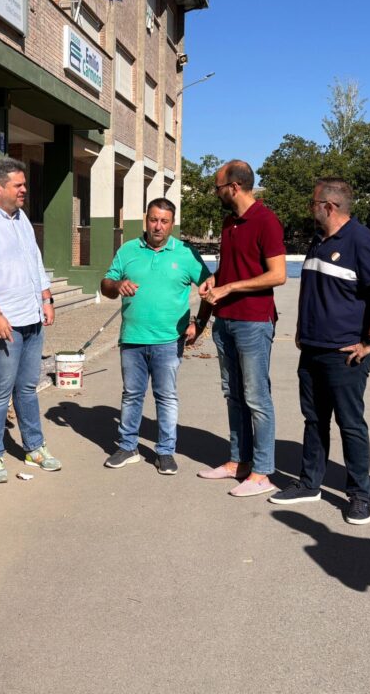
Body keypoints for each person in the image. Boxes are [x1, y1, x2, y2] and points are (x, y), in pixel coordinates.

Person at [268, 178, 370, 525]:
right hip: (311, 349)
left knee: (350, 424)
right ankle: (310, 484)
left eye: (313, 203)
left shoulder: (360, 240)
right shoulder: (317, 241)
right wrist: (301, 328)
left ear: (329, 206)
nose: (309, 209)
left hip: (345, 353)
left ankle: (359, 496)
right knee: (314, 420)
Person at [0, 157, 60, 483]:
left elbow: (35, 261)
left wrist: (46, 299)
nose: (24, 190)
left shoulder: (21, 219)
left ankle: (35, 447)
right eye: (18, 185)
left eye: (24, 184)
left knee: (28, 387)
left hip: (29, 317)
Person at [196, 160, 287, 496]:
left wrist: (230, 288)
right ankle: (239, 462)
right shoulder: (228, 222)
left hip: (253, 321)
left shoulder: (266, 220)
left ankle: (262, 472)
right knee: (233, 395)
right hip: (226, 321)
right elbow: (229, 270)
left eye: (218, 187)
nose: (215, 193)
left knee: (256, 397)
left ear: (233, 187)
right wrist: (214, 282)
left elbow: (278, 275)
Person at [101, 198, 211, 475]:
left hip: (168, 340)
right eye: (153, 219)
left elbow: (210, 288)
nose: (158, 226)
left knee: (166, 397)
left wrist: (199, 323)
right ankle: (128, 446)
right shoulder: (128, 250)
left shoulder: (186, 253)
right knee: (131, 395)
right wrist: (117, 284)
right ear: (145, 219)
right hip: (133, 339)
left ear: (172, 224)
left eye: (164, 221)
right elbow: (105, 284)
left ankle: (165, 451)